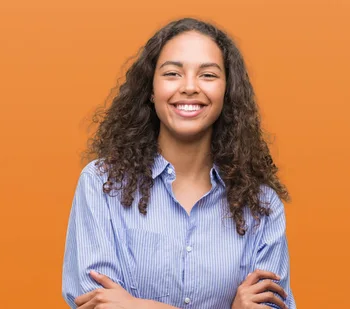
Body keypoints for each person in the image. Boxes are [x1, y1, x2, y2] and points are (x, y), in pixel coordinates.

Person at [61, 17, 295, 309]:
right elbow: (95, 304)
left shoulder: (261, 204)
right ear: (150, 89)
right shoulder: (101, 184)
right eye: (172, 73)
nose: (189, 87)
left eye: (208, 75)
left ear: (227, 92)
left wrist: (139, 306)